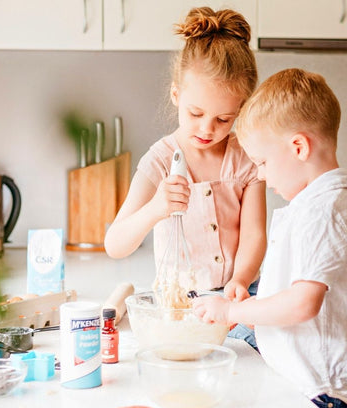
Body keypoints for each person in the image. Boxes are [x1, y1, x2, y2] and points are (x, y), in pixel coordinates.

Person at [193, 68, 347, 408]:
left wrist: (233, 309)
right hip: (302, 385)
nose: (261, 175)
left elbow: (304, 304)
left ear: (299, 147)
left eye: (262, 162)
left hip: (319, 393)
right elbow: (288, 296)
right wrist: (250, 308)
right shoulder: (311, 204)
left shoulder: (324, 209)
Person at [104, 7, 266, 348]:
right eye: (196, 113)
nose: (208, 129)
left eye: (224, 119)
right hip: (180, 307)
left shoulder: (246, 159)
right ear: (176, 95)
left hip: (239, 299)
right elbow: (115, 244)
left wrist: (240, 279)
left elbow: (254, 234)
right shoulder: (160, 161)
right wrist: (156, 208)